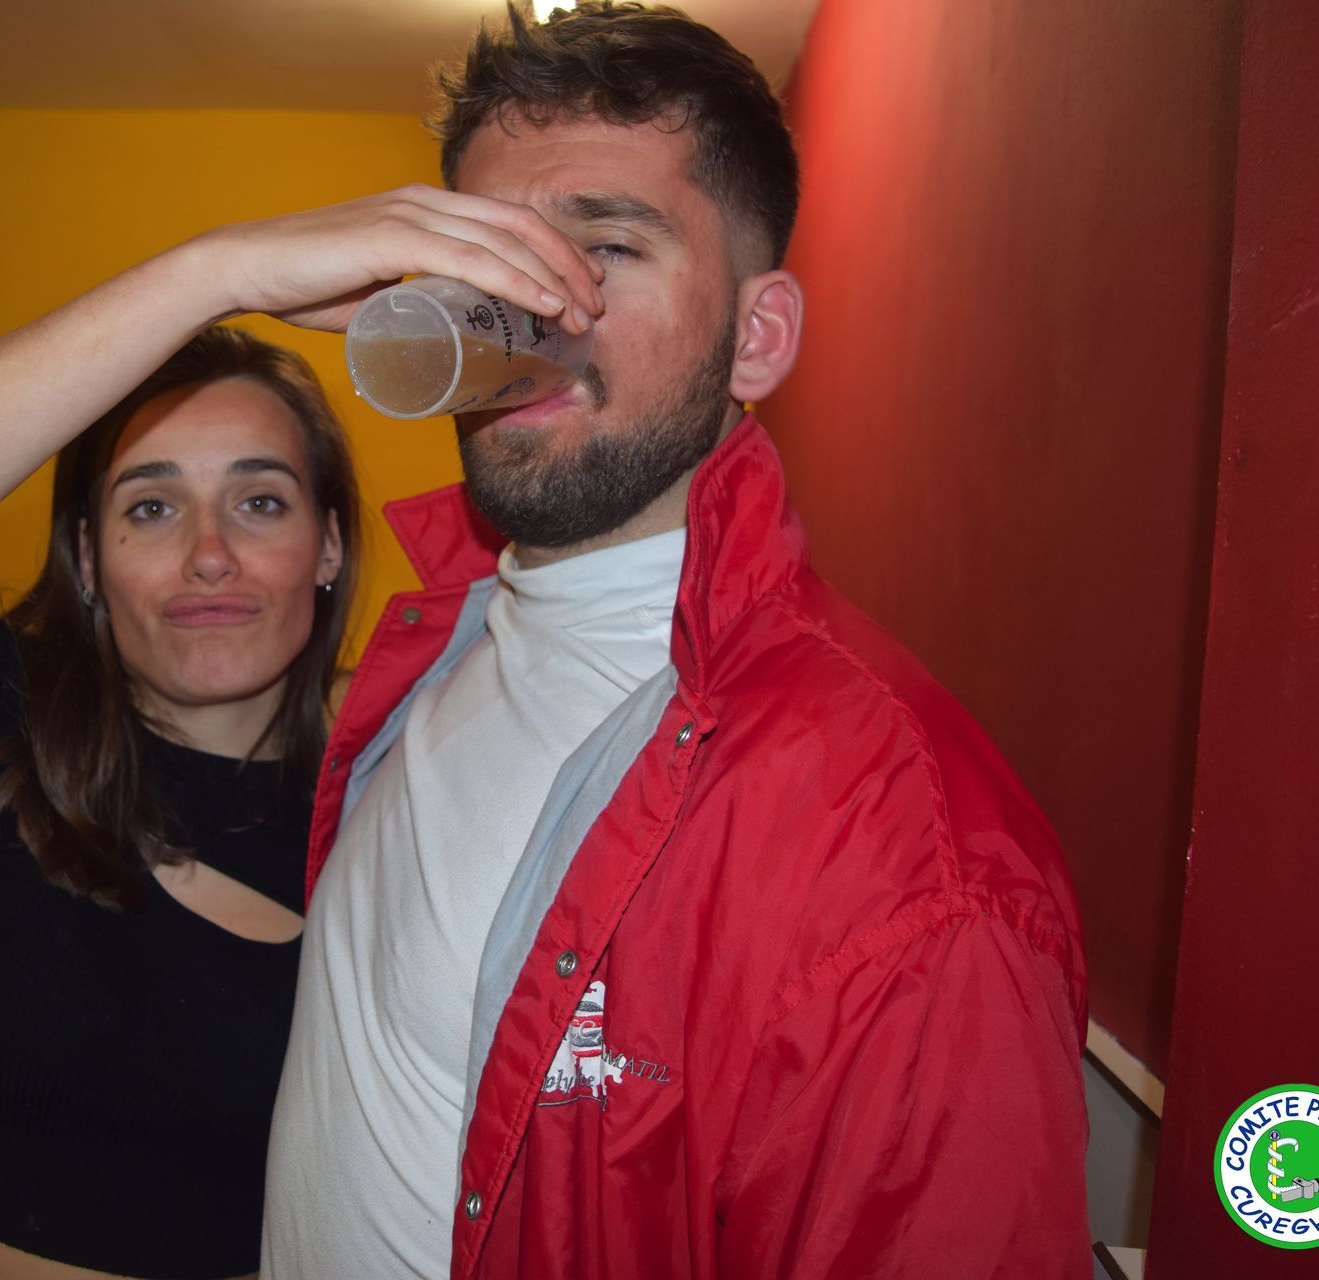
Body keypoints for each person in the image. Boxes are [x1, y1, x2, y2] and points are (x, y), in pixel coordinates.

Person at [259, 4, 1091, 1278]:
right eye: (490, 257)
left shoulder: (901, 853)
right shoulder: (433, 636)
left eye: (604, 247)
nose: (527, 309)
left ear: (757, 337)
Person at [0, 166, 606, 1274]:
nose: (208, 554)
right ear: (88, 557)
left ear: (327, 545)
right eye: (153, 505)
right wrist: (217, 273)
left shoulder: (397, 799)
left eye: (259, 501)